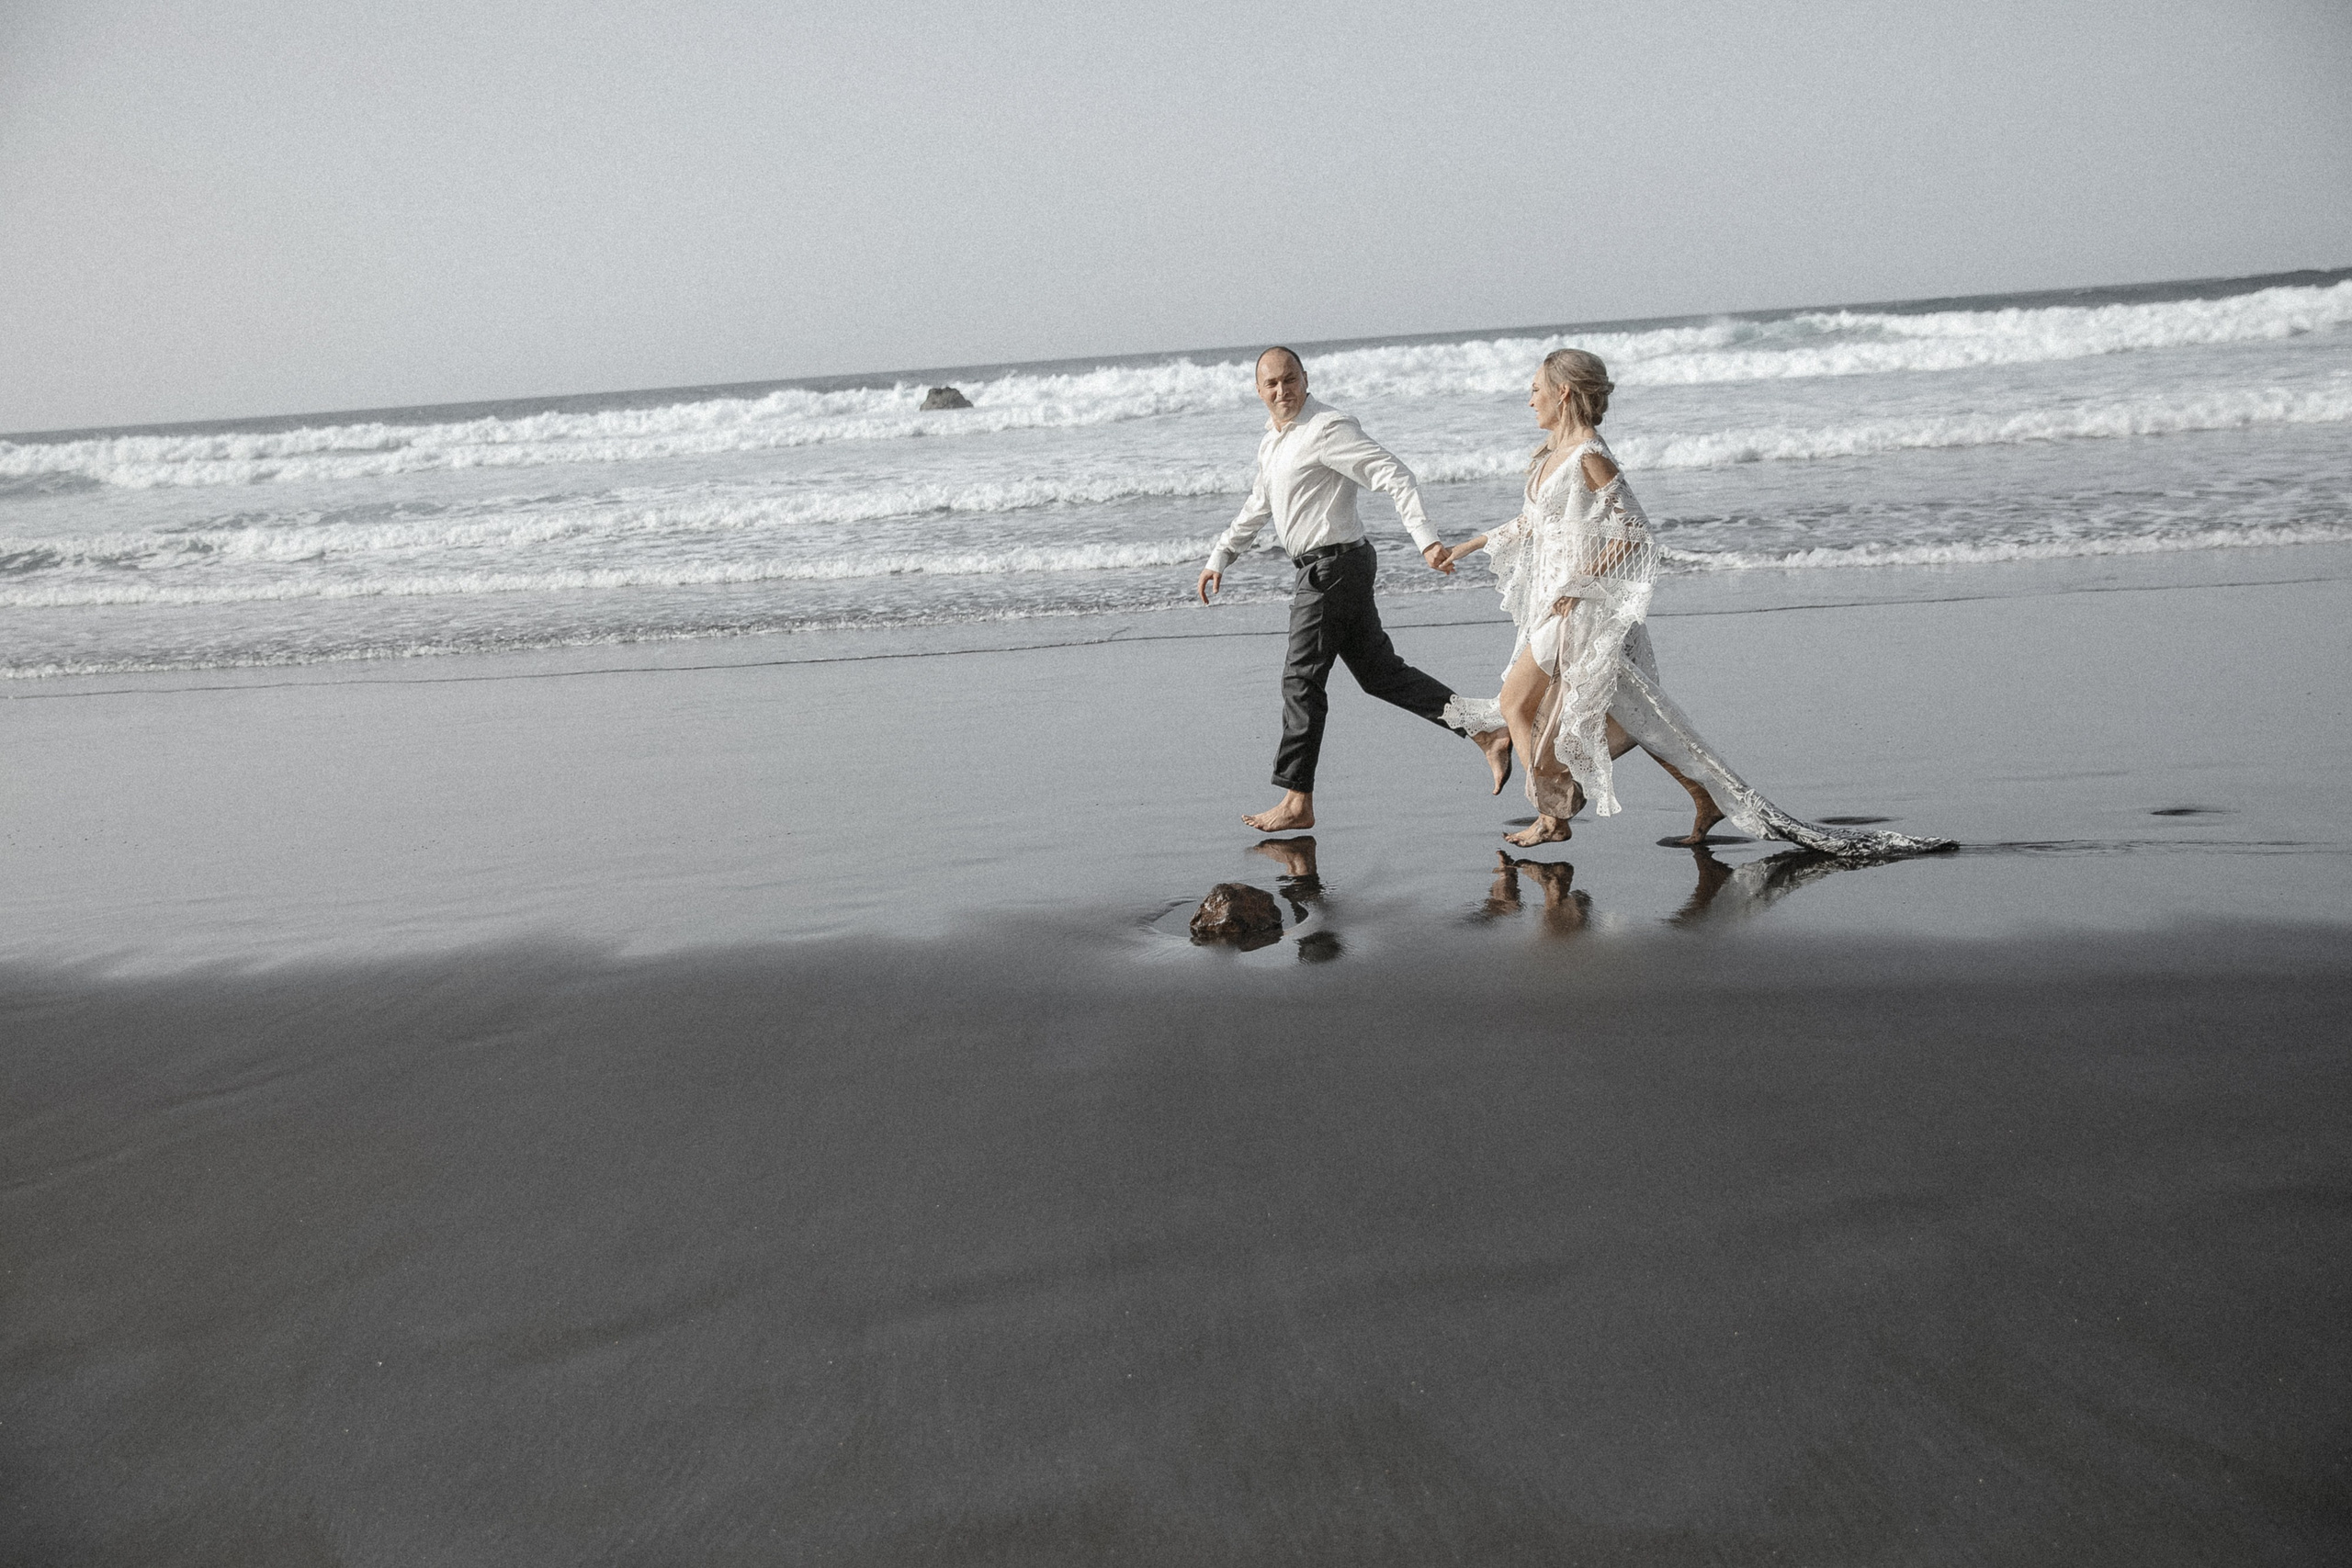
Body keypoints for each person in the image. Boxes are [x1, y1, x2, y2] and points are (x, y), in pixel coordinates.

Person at [1440, 349, 1951, 859]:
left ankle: (1551, 813)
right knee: (1634, 713)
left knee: (1515, 703)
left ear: (1563, 392)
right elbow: (1537, 523)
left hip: (1582, 610)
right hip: (1554, 606)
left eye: (1535, 389)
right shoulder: (1552, 450)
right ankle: (1701, 796)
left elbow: (1637, 535)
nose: (1528, 399)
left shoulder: (1590, 455)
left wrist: (1580, 584)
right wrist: (1473, 543)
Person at [1197, 347, 1512, 832]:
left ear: (1305, 378)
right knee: (1380, 674)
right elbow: (1259, 504)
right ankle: (1485, 730)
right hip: (1329, 568)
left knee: (1301, 681)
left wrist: (1426, 541)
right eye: (1272, 384)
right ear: (1258, 391)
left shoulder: (1328, 428)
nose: (1282, 391)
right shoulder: (1273, 442)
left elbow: (1395, 474)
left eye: (1290, 380)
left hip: (1332, 569)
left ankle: (1296, 800)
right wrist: (1221, 556)